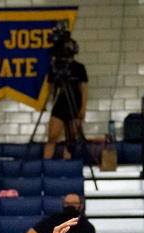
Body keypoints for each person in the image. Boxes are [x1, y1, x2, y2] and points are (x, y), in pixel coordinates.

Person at [44, 26, 87, 160]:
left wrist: (83, 108)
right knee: (52, 137)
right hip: (60, 105)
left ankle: (66, 164)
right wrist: (56, 85)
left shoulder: (79, 68)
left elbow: (84, 89)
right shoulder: (54, 68)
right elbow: (50, 88)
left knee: (71, 139)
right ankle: (45, 165)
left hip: (74, 104)